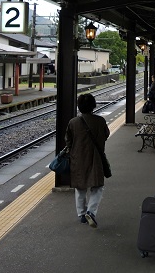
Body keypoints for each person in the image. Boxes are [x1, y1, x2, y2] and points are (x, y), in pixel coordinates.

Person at [65, 93, 110, 228]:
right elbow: (106, 135)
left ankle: (82, 215)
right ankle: (91, 211)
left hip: (78, 159)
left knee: (80, 188)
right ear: (93, 106)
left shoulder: (73, 122)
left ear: (79, 106)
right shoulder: (100, 121)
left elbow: (68, 141)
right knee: (97, 187)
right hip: (95, 159)